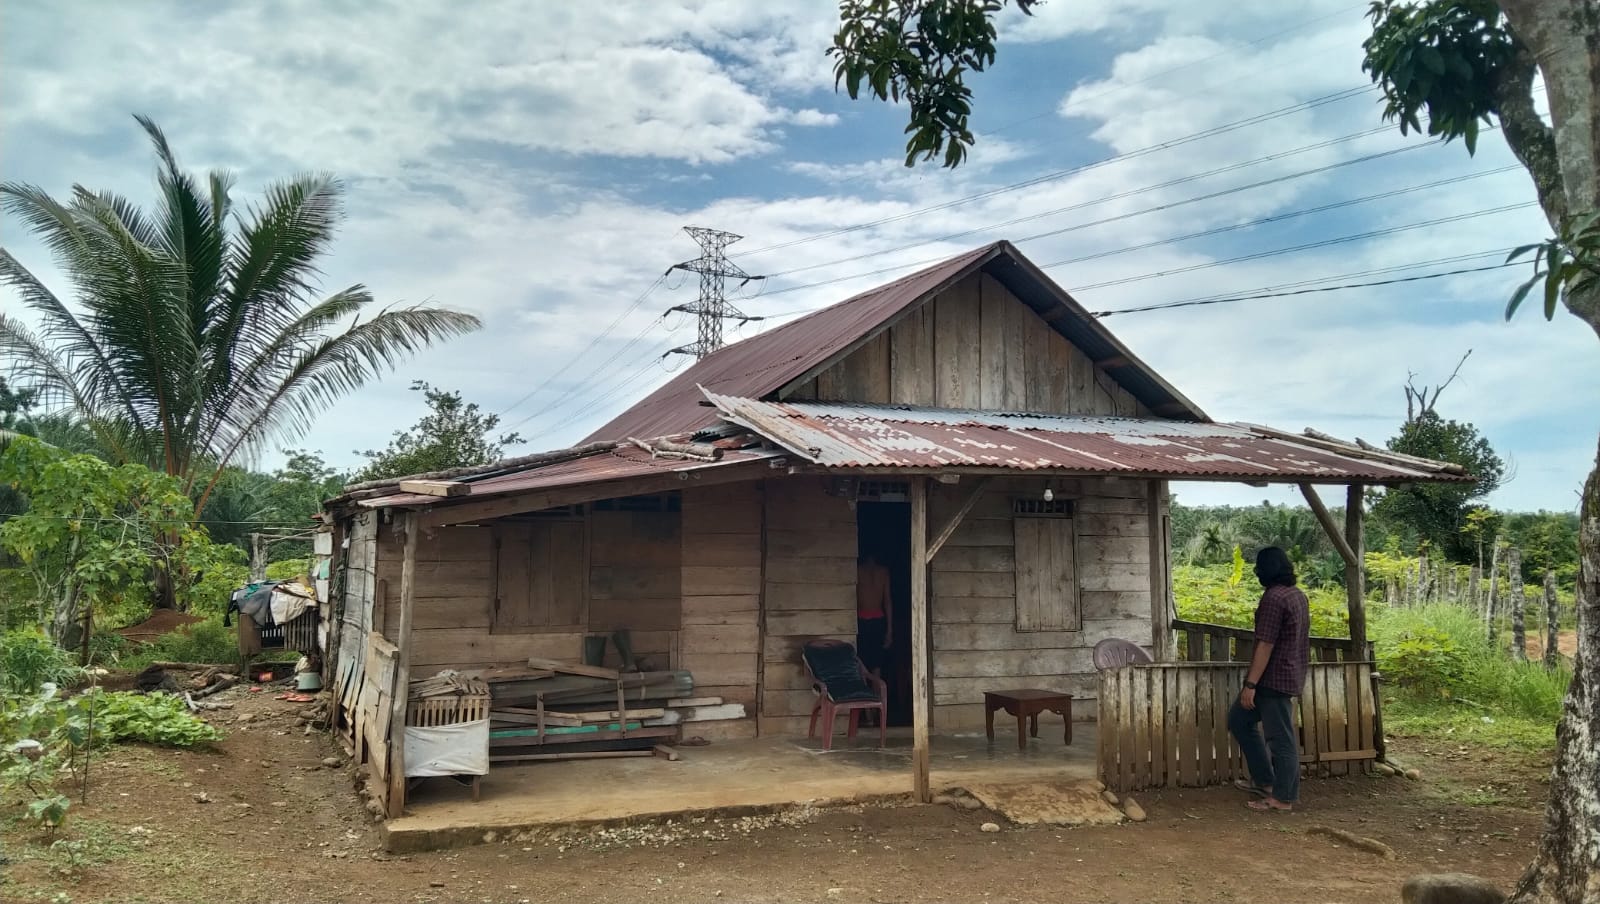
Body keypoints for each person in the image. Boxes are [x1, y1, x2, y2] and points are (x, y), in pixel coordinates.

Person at [1227, 546, 1310, 812]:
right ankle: (1265, 781)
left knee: (1280, 739)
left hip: (1272, 680)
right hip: (1287, 672)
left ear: (1265, 570)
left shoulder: (1274, 598)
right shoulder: (1297, 595)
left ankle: (1283, 798)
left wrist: (1250, 684)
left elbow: (1265, 644)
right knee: (1239, 720)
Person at [855, 553, 893, 681]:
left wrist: (889, 630)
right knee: (875, 664)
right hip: (877, 619)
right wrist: (889, 630)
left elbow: (887, 601)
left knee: (864, 662)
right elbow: (887, 601)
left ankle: (871, 697)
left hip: (863, 619)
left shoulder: (858, 570)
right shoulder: (883, 571)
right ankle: (875, 698)